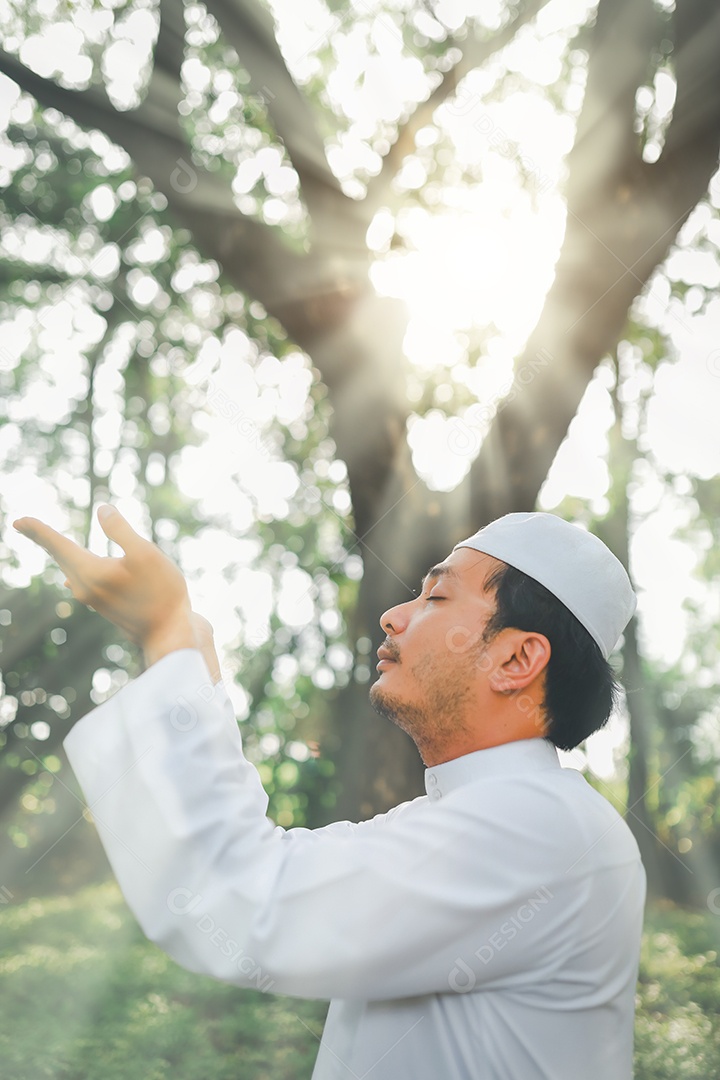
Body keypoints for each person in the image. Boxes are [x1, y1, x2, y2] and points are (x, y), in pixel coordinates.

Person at [13, 505, 646, 1080]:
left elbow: (248, 899)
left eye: (436, 596)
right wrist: (189, 644)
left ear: (515, 661)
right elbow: (271, 867)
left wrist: (169, 633)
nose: (393, 616)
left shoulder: (541, 825)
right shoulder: (469, 816)